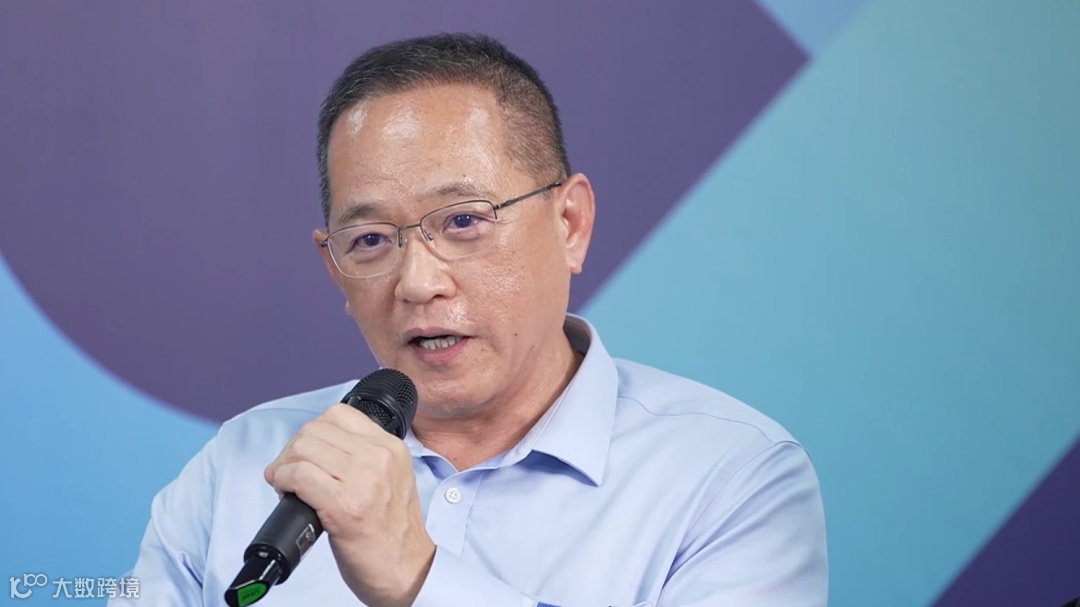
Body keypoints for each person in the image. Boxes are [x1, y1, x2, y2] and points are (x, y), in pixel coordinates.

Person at [112, 33, 828, 607]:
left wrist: (418, 579)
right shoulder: (244, 466)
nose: (418, 283)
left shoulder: (730, 476)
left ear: (570, 224)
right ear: (335, 269)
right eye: (371, 240)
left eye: (463, 221)